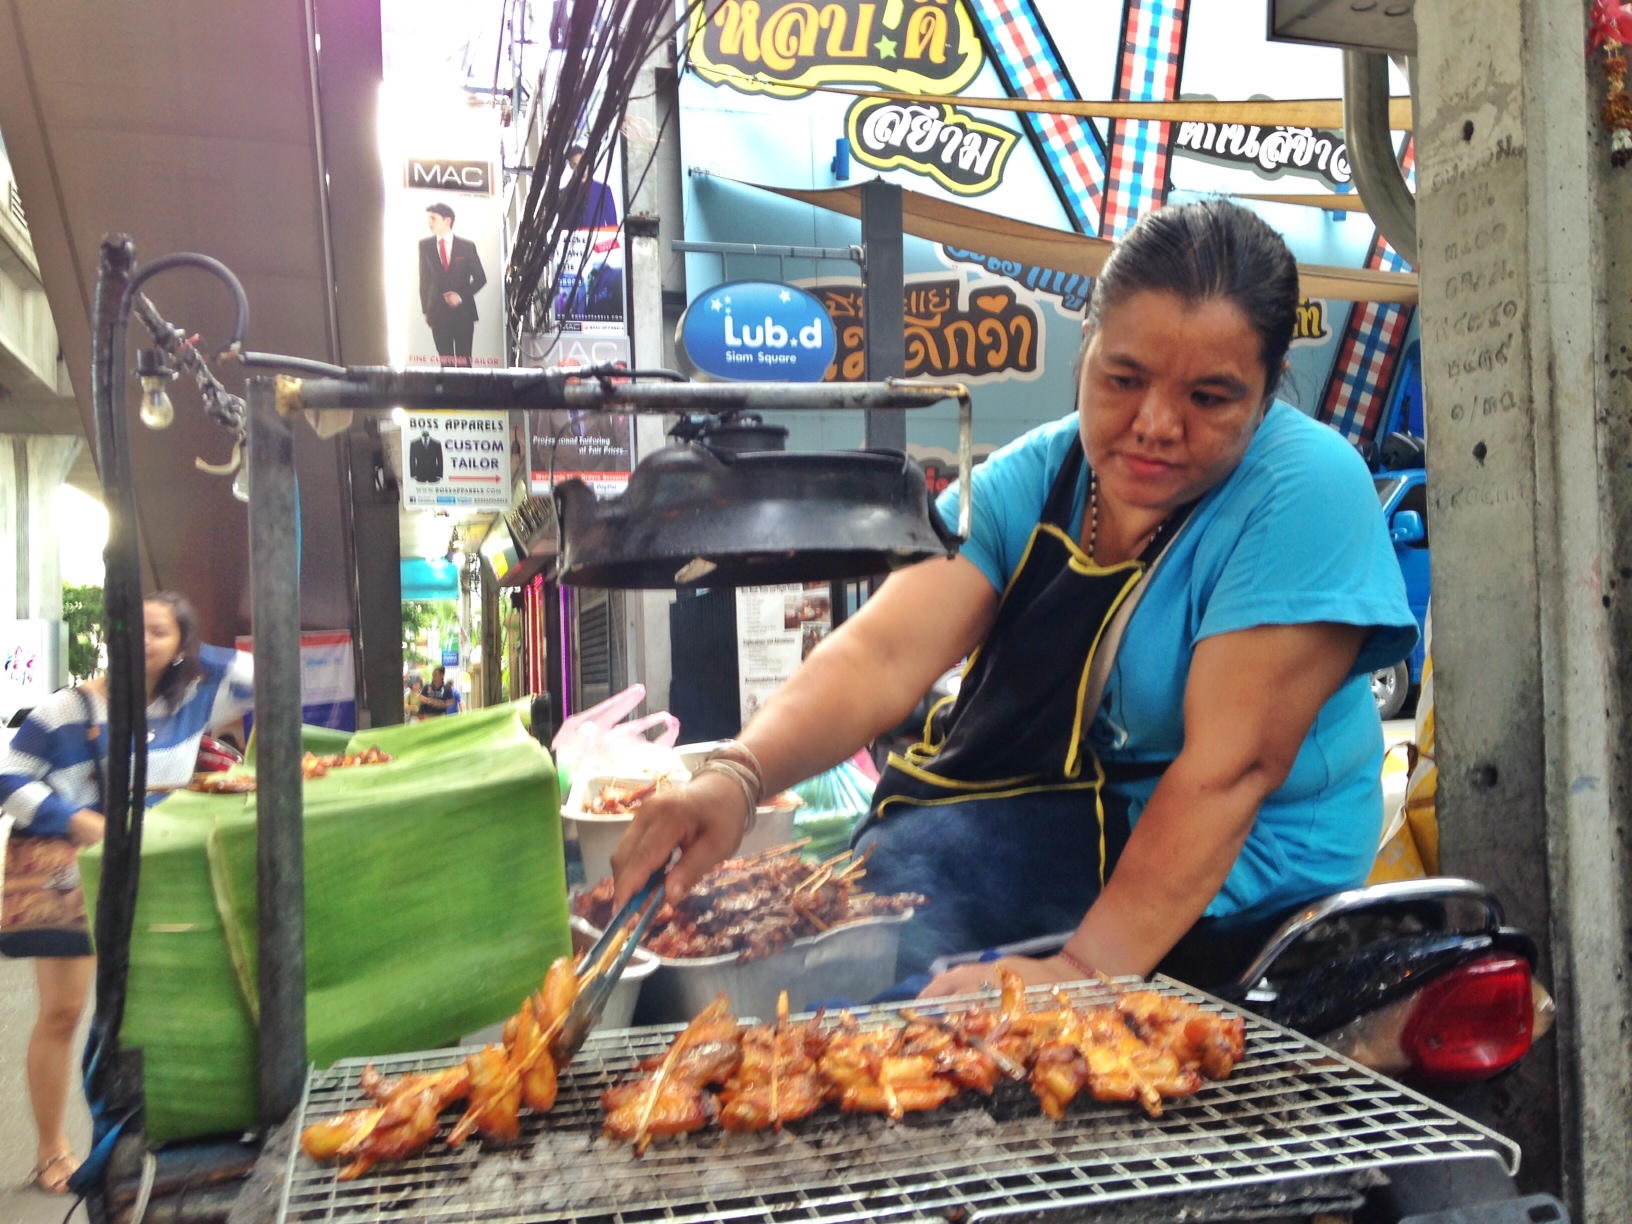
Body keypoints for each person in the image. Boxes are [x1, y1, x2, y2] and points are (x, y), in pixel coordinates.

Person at [610, 199, 1417, 998]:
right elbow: (881, 655)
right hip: (1069, 823)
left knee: (921, 983)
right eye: (1124, 379)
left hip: (1248, 878)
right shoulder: (1035, 478)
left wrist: (1078, 974)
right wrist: (736, 777)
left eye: (1210, 398)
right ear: (1086, 346)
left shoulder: (1304, 488)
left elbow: (1226, 775)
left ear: (1268, 391)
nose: (1156, 424)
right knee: (890, 889)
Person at [0, 592, 252, 1192]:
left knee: (153, 1004)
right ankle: (51, 1148)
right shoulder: (65, 709)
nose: (140, 640)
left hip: (154, 868)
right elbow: (9, 779)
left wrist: (196, 658)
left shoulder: (191, 699)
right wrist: (79, 820)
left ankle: (156, 1130)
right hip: (72, 875)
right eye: (128, 629)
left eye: (157, 631)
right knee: (64, 1012)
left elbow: (263, 676)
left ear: (181, 644)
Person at [418, 202, 487, 367]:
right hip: (437, 312)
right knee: (445, 362)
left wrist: (460, 296)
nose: (429, 223)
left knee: (464, 362)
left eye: (433, 218)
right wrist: (426, 310)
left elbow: (480, 278)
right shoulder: (425, 245)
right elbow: (424, 280)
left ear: (447, 220)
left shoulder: (467, 247)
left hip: (463, 312)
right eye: (428, 219)